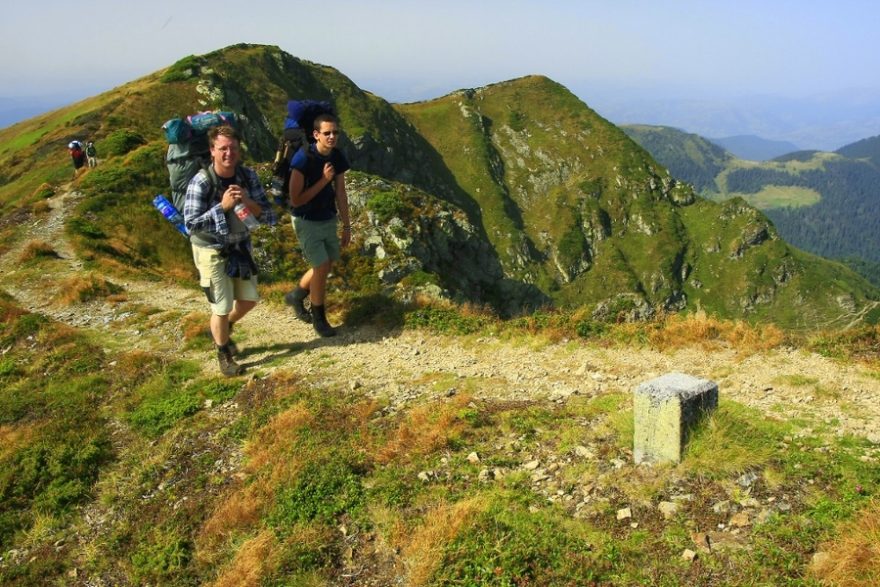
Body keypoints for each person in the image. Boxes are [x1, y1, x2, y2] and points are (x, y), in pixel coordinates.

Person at [183, 125, 277, 376]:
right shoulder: (202, 181)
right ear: (212, 150)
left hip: (240, 247)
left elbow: (268, 216)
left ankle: (223, 329)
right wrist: (222, 207)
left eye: (233, 148)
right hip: (211, 250)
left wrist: (246, 201)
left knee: (249, 300)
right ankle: (224, 354)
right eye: (223, 148)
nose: (229, 153)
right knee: (221, 307)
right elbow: (191, 224)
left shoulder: (248, 177)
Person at [285, 113, 351, 337]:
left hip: (327, 217)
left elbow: (340, 193)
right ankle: (319, 319)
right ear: (316, 135)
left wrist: (347, 226)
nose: (332, 137)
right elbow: (296, 200)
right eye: (327, 133)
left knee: (328, 261)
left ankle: (296, 295)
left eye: (335, 132)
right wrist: (324, 180)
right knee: (321, 266)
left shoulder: (337, 156)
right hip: (306, 220)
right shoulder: (303, 159)